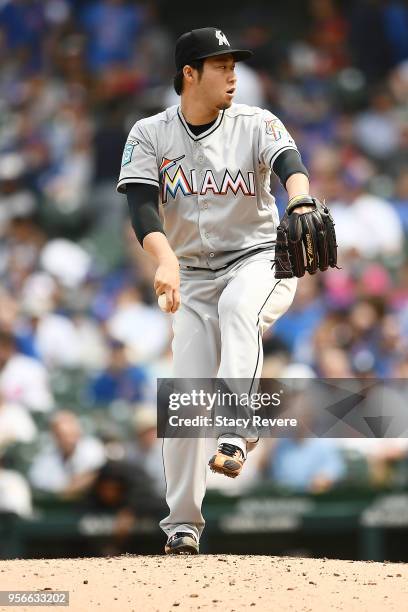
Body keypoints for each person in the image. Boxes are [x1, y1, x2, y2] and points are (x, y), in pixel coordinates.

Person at [117, 27, 318, 555]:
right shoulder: (148, 134)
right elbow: (140, 206)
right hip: (193, 273)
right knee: (184, 397)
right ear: (190, 73)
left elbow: (290, 168)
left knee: (238, 308)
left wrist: (299, 201)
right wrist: (164, 260)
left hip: (259, 258)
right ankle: (182, 525)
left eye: (234, 64)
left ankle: (237, 427)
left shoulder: (256, 121)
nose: (233, 74)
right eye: (221, 65)